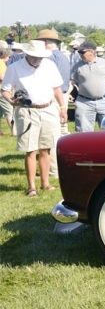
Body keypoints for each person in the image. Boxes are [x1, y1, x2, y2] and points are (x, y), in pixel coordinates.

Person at [1, 40, 67, 197]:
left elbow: (57, 89)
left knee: (46, 148)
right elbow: (5, 90)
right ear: (27, 54)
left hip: (48, 109)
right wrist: (11, 100)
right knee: (30, 150)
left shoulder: (50, 65)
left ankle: (45, 183)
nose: (37, 59)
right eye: (34, 56)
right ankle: (31, 187)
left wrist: (62, 108)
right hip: (27, 111)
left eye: (40, 57)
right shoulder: (14, 68)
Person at [34, 29, 71, 179]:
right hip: (62, 95)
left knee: (52, 138)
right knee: (61, 134)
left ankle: (53, 171)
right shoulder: (63, 57)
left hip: (53, 98)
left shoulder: (48, 59)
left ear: (46, 44)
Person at [70, 40, 105, 132]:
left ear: (91, 52)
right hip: (84, 102)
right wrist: (67, 93)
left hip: (103, 101)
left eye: (82, 52)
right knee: (84, 132)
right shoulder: (77, 66)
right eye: (78, 51)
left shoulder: (104, 63)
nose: (79, 54)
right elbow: (71, 82)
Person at [0, 46, 13, 135]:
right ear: (7, 55)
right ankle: (14, 131)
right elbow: (2, 77)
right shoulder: (1, 63)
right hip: (2, 92)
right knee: (9, 111)